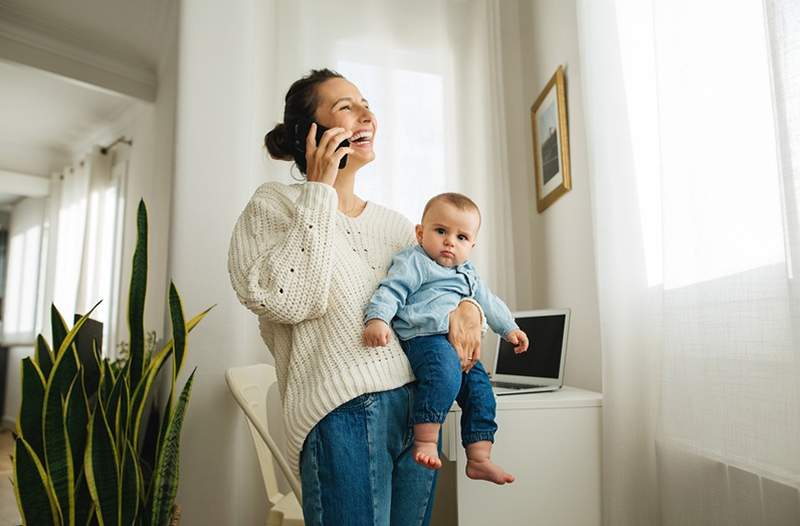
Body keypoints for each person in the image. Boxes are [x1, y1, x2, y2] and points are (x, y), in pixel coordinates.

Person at [228, 69, 485, 526]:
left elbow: (441, 286)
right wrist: (319, 192)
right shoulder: (274, 205)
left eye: (366, 103)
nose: (368, 114)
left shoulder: (394, 224)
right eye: (346, 107)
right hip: (343, 414)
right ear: (311, 133)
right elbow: (286, 298)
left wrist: (469, 307)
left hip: (418, 409)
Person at [363, 193, 529, 485]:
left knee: (481, 391)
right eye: (441, 231)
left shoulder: (468, 273)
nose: (450, 241)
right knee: (445, 375)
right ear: (420, 233)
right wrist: (377, 319)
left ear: (472, 246)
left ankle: (479, 457)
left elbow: (489, 302)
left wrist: (510, 329)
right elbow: (391, 291)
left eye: (462, 237)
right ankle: (425, 440)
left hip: (460, 347)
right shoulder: (415, 261)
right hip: (425, 337)